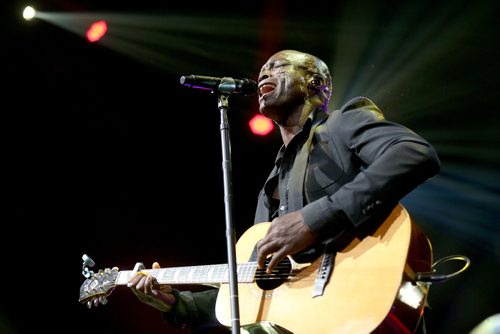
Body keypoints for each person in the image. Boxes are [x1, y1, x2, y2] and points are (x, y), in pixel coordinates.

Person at [126, 49, 441, 333]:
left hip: (368, 303)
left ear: (314, 82)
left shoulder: (343, 124)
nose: (264, 73)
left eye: (277, 67)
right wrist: (175, 303)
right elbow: (254, 297)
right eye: (262, 69)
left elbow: (414, 154)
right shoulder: (270, 187)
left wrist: (313, 220)